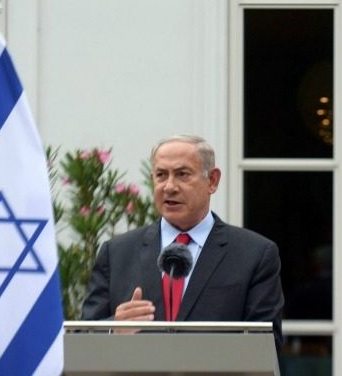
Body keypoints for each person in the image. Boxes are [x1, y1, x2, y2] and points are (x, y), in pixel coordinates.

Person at [82, 134, 284, 350]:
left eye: (182, 174)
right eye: (161, 175)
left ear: (212, 181)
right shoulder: (117, 253)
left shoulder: (254, 254)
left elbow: (266, 345)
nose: (169, 186)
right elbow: (82, 338)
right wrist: (114, 328)